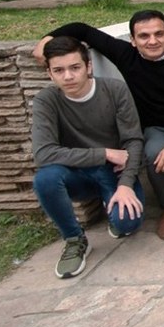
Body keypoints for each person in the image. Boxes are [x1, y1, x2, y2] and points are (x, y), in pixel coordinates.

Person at [35, 11, 164, 240]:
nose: (152, 41)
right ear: (132, 40)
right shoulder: (126, 55)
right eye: (144, 36)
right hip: (156, 128)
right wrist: (46, 40)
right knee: (154, 154)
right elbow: (83, 30)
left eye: (159, 34)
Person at [31, 36, 144, 278]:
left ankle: (111, 201)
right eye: (59, 70)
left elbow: (134, 140)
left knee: (127, 223)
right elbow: (44, 153)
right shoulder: (46, 100)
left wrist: (126, 184)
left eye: (75, 67)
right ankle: (74, 239)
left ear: (88, 66)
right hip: (76, 173)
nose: (68, 76)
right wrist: (104, 153)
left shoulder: (114, 90)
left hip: (114, 172)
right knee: (45, 178)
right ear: (49, 73)